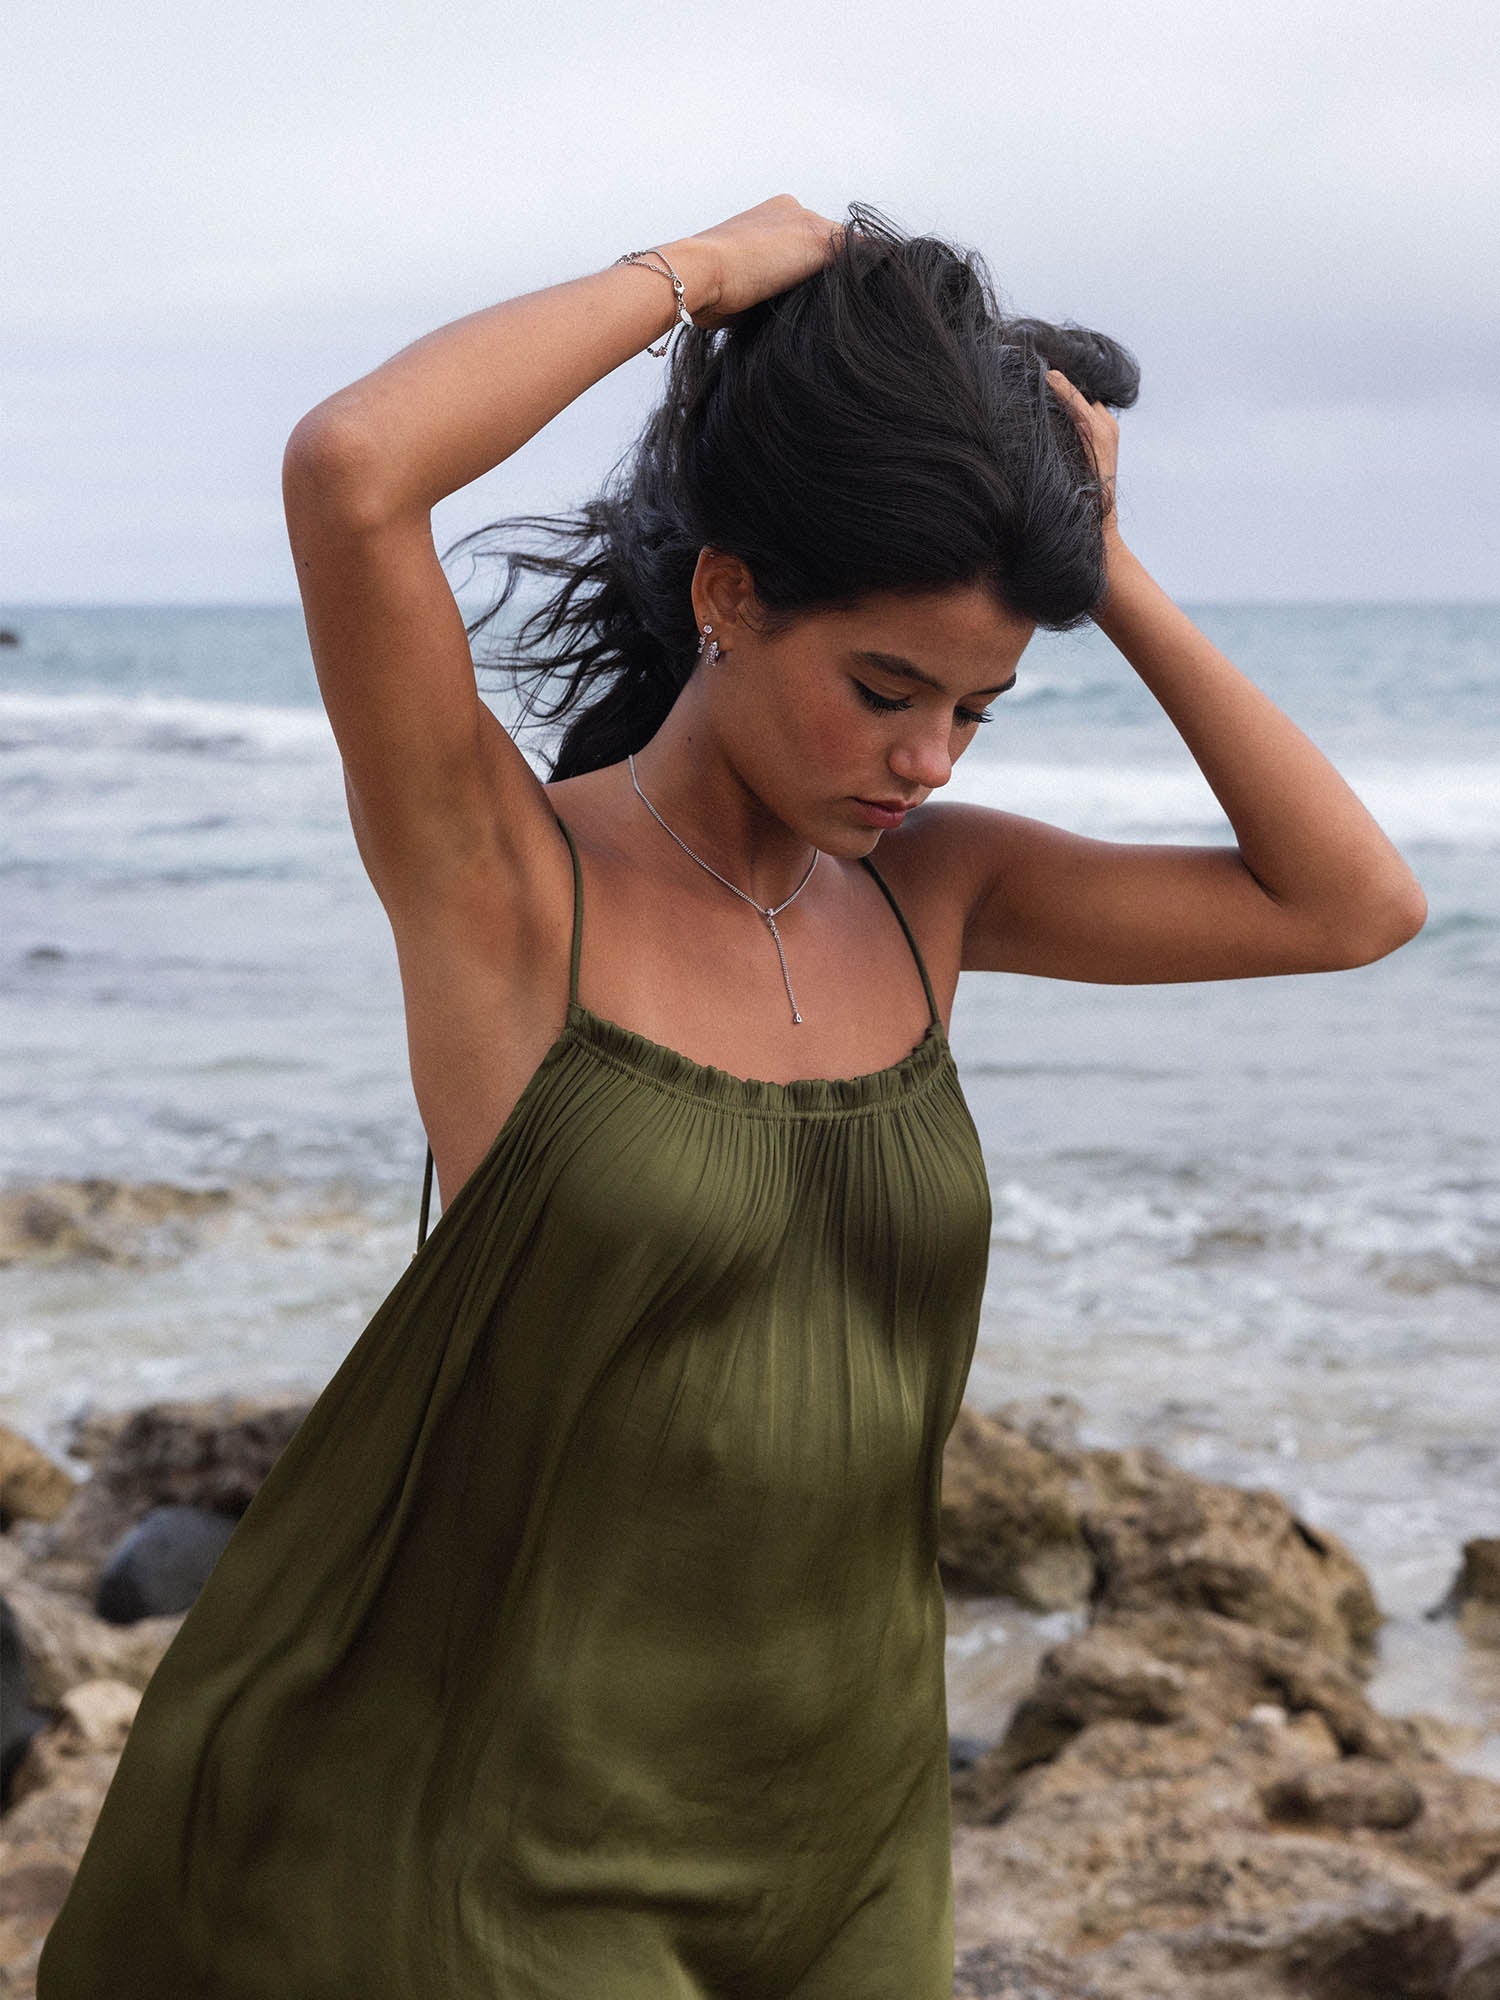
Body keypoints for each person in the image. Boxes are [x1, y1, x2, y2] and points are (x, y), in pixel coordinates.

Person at [37, 196, 1426, 1999]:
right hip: (512, 1842)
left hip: (848, 1835)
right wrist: (702, 268)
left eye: (979, 711)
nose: (924, 760)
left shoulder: (938, 900)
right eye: (883, 688)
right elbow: (354, 468)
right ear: (724, 592)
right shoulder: (509, 888)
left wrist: (1095, 554)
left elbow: (1353, 904)